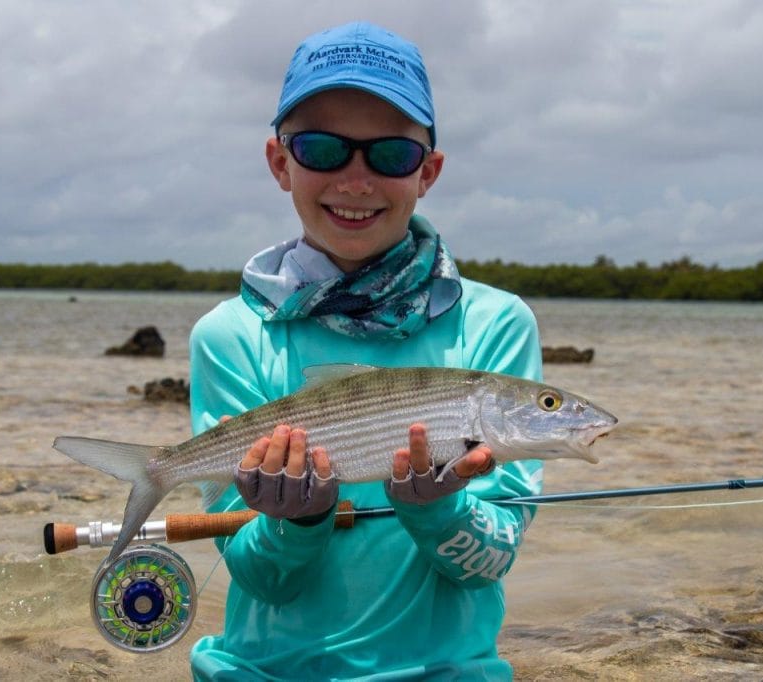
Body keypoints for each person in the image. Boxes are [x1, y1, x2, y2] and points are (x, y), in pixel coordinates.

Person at [187, 21, 544, 681]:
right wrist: (297, 522)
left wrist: (437, 507)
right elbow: (259, 577)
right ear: (280, 163)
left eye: (390, 156)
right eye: (322, 149)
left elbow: (489, 562)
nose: (355, 180)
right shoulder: (230, 336)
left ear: (428, 172)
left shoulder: (496, 325)